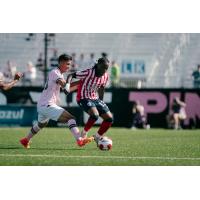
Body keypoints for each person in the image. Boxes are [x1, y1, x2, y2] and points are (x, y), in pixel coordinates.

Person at [19, 54, 93, 149]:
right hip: (47, 105)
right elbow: (64, 85)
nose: (69, 66)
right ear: (61, 62)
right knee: (70, 118)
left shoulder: (58, 73)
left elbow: (67, 89)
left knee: (41, 124)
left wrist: (80, 83)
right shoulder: (55, 72)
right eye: (68, 64)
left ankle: (26, 140)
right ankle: (80, 140)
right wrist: (78, 82)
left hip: (43, 105)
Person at [66, 57, 113, 145]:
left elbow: (102, 87)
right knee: (95, 115)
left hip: (95, 98)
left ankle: (97, 137)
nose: (104, 70)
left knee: (109, 119)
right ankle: (84, 132)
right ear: (98, 65)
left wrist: (101, 101)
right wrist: (67, 85)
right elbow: (71, 75)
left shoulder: (105, 76)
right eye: (103, 67)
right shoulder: (88, 72)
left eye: (106, 68)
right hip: (83, 97)